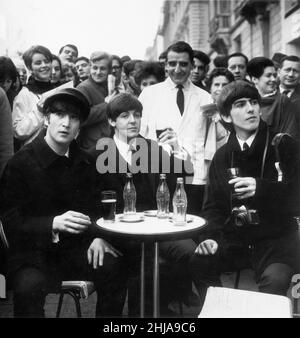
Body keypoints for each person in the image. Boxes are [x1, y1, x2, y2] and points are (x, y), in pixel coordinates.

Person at [0, 88, 127, 317]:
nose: (66, 123)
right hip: (32, 255)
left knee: (115, 266)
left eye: (74, 118)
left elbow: (105, 205)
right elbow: (11, 223)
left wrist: (100, 236)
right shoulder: (20, 164)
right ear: (47, 119)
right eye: (60, 115)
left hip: (76, 250)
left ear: (80, 127)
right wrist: (53, 223)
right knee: (28, 287)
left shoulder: (88, 161)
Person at [190, 81, 300, 306]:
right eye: (240, 104)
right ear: (226, 117)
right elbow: (212, 207)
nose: (251, 109)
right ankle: (221, 311)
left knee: (274, 280)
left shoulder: (283, 145)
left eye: (254, 102)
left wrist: (262, 188)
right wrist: (210, 237)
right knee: (198, 263)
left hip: (276, 242)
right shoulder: (222, 155)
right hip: (236, 241)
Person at [92, 92, 196, 316]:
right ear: (111, 121)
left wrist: (177, 150)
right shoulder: (96, 154)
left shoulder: (152, 148)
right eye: (124, 116)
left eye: (137, 115)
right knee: (128, 273)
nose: (132, 120)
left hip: (152, 232)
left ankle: (165, 303)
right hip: (116, 236)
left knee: (190, 250)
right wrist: (96, 234)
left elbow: (180, 179)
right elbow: (86, 200)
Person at [139, 41, 220, 215]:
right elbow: (140, 137)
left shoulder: (205, 98)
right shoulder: (149, 94)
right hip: (158, 174)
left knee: (190, 223)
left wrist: (204, 177)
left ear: (192, 65)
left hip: (193, 176)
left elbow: (210, 141)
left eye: (183, 64)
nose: (177, 69)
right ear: (165, 65)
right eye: (172, 64)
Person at [247, 56, 299, 140]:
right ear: (254, 79)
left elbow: (290, 136)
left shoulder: (282, 101)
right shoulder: (245, 100)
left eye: (274, 75)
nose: (274, 79)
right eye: (268, 76)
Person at [12, 45, 54, 146]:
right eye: (38, 63)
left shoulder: (58, 89)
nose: (44, 65)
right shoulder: (24, 94)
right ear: (30, 68)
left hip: (59, 151)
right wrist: (39, 113)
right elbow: (18, 131)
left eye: (47, 61)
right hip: (34, 154)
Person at [76, 51, 111, 151]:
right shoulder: (83, 88)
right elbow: (81, 118)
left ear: (108, 70)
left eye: (103, 68)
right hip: (91, 146)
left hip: (109, 143)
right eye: (95, 68)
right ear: (90, 68)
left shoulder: (110, 86)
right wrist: (107, 105)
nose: (98, 72)